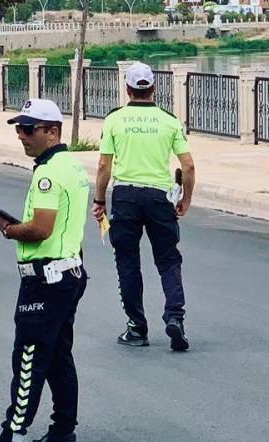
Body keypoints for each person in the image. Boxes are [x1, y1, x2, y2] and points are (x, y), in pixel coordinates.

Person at [0, 99, 90, 442]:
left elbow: (41, 229)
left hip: (46, 280)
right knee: (58, 356)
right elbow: (68, 228)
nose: (22, 136)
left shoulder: (48, 173)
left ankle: (10, 439)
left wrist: (11, 230)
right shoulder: (74, 167)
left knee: (30, 357)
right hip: (68, 272)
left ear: (53, 131)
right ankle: (63, 433)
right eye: (19, 128)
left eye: (29, 129)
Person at [94, 61, 196, 352]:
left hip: (125, 196)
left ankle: (136, 327)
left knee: (127, 261)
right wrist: (185, 199)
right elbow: (187, 166)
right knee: (168, 260)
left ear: (127, 88)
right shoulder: (169, 120)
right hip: (159, 197)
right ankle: (175, 316)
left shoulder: (115, 120)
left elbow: (104, 165)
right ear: (153, 88)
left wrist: (100, 200)